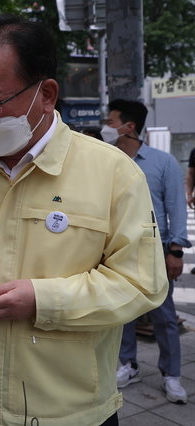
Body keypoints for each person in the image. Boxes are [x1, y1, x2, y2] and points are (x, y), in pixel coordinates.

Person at [0, 15, 168, 426]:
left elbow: (142, 283)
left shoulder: (113, 173)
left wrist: (43, 301)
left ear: (46, 93)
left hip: (70, 411)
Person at [103, 99, 191, 404]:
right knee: (122, 314)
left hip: (156, 250)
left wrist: (176, 251)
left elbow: (175, 207)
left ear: (129, 127)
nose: (106, 126)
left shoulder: (162, 161)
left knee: (164, 316)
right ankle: (128, 365)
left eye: (110, 121)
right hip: (116, 251)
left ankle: (172, 375)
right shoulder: (105, 160)